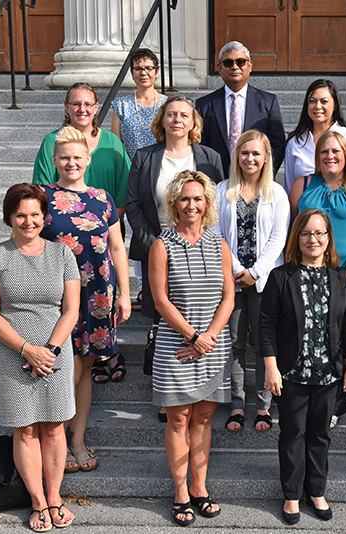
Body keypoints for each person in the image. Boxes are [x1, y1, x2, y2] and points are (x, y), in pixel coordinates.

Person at [0, 184, 80, 532]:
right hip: (11, 354)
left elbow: (71, 310)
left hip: (55, 353)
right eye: (21, 214)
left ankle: (55, 498)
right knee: (25, 430)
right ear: (9, 216)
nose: (28, 221)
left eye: (35, 214)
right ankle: (36, 502)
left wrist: (48, 351)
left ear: (44, 216)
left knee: (53, 427)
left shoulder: (63, 254)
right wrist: (26, 350)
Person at [127, 94, 224, 422]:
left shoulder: (209, 157)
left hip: (200, 246)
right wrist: (158, 246)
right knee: (162, 314)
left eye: (184, 115)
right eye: (171, 114)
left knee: (199, 309)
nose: (177, 120)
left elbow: (217, 201)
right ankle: (169, 392)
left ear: (194, 123)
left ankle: (198, 385)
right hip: (159, 246)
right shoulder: (144, 156)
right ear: (162, 121)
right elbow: (134, 205)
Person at [40, 126, 131, 474]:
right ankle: (57, 439)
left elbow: (118, 247)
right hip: (56, 297)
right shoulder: (42, 197)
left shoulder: (103, 199)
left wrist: (124, 292)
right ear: (55, 160)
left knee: (85, 369)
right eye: (64, 157)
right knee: (64, 368)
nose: (71, 162)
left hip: (96, 296)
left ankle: (76, 440)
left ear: (88, 159)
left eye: (77, 157)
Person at [260, 209, 346, 525]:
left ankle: (316, 491)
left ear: (328, 238)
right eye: (306, 233)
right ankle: (291, 494)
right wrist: (271, 367)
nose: (313, 239)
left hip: (329, 372)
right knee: (292, 433)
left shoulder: (341, 277)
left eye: (319, 233)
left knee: (320, 434)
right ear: (296, 238)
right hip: (291, 372)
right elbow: (266, 326)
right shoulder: (281, 276)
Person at [149, 170, 235, 526]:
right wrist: (192, 337)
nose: (191, 204)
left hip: (214, 344)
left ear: (207, 204)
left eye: (198, 198)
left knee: (203, 418)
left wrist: (209, 337)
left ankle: (200, 488)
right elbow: (160, 300)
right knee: (179, 418)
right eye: (185, 198)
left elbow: (229, 296)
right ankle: (181, 491)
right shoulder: (161, 244)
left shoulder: (219, 244)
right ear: (174, 203)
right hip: (176, 345)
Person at [289, 130, 346, 429]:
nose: (330, 156)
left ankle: (336, 403)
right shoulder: (302, 185)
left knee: (341, 340)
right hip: (306, 277)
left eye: (336, 151)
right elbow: (292, 230)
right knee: (310, 336)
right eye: (325, 151)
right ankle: (306, 395)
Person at [212, 130, 290, 432]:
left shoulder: (277, 193)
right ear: (237, 156)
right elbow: (217, 234)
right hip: (231, 280)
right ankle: (236, 404)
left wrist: (255, 271)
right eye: (244, 153)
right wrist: (235, 269)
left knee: (264, 343)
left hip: (265, 281)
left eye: (256, 153)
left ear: (266, 157)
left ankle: (263, 406)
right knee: (234, 343)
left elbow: (278, 237)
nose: (250, 158)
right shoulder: (222, 190)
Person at [111, 48, 168, 314]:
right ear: (131, 73)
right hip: (131, 176)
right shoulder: (120, 105)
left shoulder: (168, 103)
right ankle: (144, 286)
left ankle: (164, 284)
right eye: (138, 68)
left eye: (148, 67)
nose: (143, 73)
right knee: (136, 232)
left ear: (157, 71)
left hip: (162, 176)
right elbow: (116, 145)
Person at [33, 82, 130, 221]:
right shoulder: (52, 142)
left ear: (96, 107)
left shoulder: (112, 143)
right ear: (66, 106)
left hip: (107, 228)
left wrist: (105, 226)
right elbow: (40, 190)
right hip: (62, 227)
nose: (82, 109)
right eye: (76, 104)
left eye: (88, 104)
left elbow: (124, 189)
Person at [195, 41, 285, 176]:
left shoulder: (268, 102)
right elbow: (200, 148)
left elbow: (277, 145)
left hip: (257, 182)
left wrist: (261, 176)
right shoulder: (204, 105)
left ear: (250, 65)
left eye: (241, 62)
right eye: (228, 63)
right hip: (217, 183)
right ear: (219, 68)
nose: (235, 67)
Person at [284, 79, 346, 193]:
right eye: (312, 101)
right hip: (305, 208)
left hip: (341, 207)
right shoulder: (295, 142)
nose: (318, 106)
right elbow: (290, 187)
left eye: (324, 101)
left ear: (335, 106)